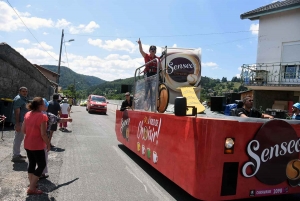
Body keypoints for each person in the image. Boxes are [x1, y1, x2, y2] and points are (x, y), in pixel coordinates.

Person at [21, 97, 49, 195]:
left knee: (32, 163)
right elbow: (43, 134)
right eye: (43, 104)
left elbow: (23, 130)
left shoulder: (27, 114)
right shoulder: (42, 116)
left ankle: (32, 184)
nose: (45, 106)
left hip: (27, 143)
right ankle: (32, 188)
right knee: (41, 165)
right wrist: (48, 144)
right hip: (37, 145)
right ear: (39, 105)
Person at [40, 98, 72, 179]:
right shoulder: (46, 115)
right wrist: (48, 144)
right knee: (43, 156)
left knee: (32, 159)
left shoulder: (29, 114)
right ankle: (42, 173)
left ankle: (32, 175)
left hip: (31, 140)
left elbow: (24, 130)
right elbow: (58, 119)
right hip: (42, 140)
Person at [137, 38, 160, 110]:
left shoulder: (157, 58)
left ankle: (154, 103)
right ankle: (145, 100)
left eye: (154, 50)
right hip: (148, 74)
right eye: (151, 50)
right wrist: (140, 44)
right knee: (147, 88)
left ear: (155, 51)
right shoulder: (147, 56)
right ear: (149, 51)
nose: (153, 51)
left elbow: (161, 67)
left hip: (154, 75)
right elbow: (141, 51)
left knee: (154, 88)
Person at [11, 87, 28, 163]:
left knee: (19, 138)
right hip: (20, 121)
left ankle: (17, 153)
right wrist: (17, 124)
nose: (25, 92)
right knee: (18, 138)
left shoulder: (22, 98)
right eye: (23, 91)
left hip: (22, 121)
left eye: (26, 91)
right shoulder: (18, 99)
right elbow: (17, 113)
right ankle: (15, 156)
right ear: (19, 91)